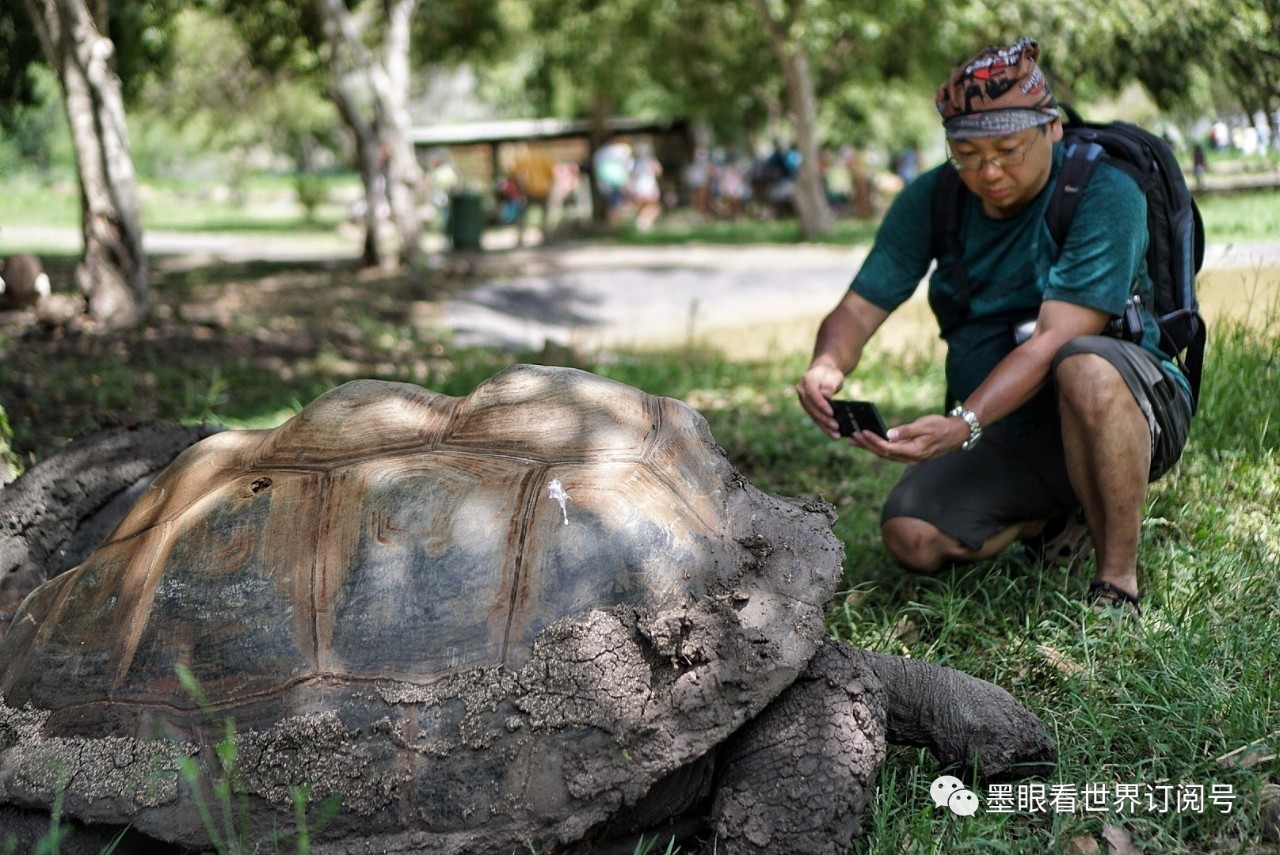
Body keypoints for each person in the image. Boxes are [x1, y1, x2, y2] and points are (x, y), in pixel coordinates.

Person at [795, 38, 1193, 616]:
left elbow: (1056, 338)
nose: (988, 170)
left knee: (1084, 363)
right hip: (1010, 426)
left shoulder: (1106, 193)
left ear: (1051, 128)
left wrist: (964, 422)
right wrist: (828, 363)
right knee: (911, 536)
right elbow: (859, 308)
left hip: (1126, 407)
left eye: (1008, 149)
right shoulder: (935, 199)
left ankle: (1116, 582)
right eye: (967, 153)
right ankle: (1057, 517)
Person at [509, 143, 557, 246]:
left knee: (523, 214)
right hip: (543, 190)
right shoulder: (544, 157)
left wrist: (520, 184)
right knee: (545, 215)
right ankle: (545, 237)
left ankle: (520, 238)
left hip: (529, 190)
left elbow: (513, 172)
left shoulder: (525, 157)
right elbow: (552, 175)